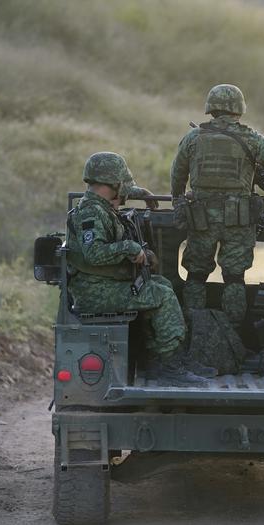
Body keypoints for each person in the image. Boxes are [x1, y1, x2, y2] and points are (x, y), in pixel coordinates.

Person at [66, 152, 212, 386]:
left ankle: (156, 360)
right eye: (122, 186)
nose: (124, 193)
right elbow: (93, 254)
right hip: (96, 292)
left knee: (161, 284)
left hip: (104, 286)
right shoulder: (91, 213)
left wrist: (141, 193)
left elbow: (118, 191)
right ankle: (171, 368)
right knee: (162, 295)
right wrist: (130, 248)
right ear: (113, 183)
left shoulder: (98, 204)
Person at [170, 84, 264, 324]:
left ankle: (194, 328)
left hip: (201, 217)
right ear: (239, 110)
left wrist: (178, 201)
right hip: (239, 219)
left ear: (210, 110)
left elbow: (178, 174)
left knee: (195, 275)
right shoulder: (251, 138)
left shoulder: (193, 138)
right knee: (234, 277)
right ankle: (234, 332)